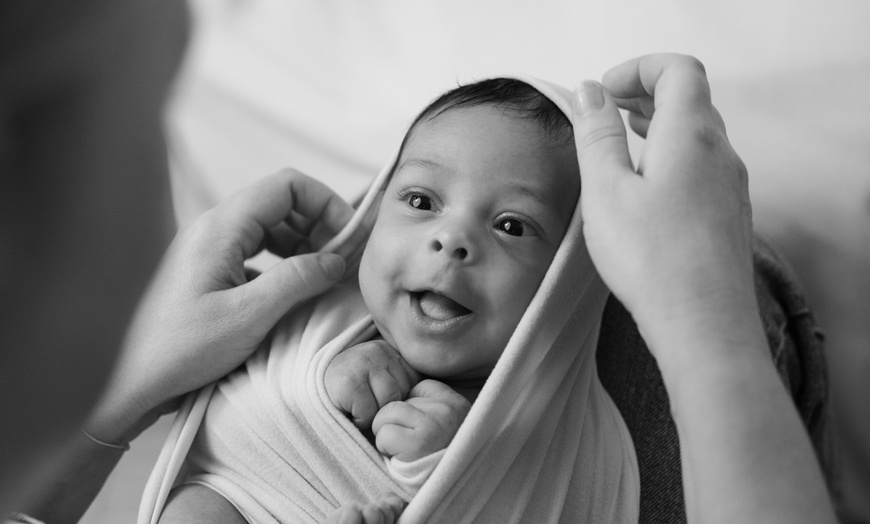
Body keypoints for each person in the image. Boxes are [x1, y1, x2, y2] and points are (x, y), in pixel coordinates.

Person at [9, 53, 837, 524]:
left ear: (567, 292)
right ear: (370, 217)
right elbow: (235, 447)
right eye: (419, 201)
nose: (452, 238)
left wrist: (445, 450)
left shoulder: (560, 415)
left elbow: (533, 488)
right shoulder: (303, 320)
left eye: (511, 225)